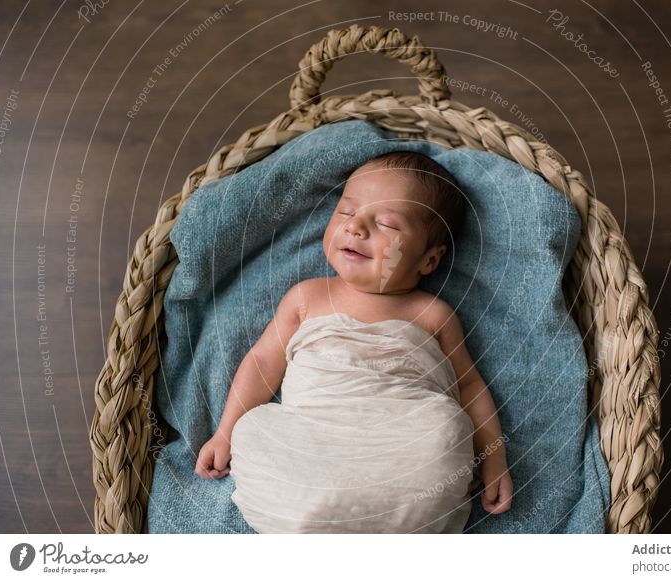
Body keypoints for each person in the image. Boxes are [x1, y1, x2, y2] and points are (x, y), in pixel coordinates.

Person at [195, 151, 513, 532]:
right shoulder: (306, 297)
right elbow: (264, 362)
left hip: (402, 449)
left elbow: (468, 386)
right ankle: (315, 523)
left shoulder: (432, 313)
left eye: (387, 224)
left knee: (444, 429)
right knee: (256, 430)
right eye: (346, 213)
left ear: (429, 259)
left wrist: (494, 457)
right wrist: (226, 432)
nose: (356, 227)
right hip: (313, 439)